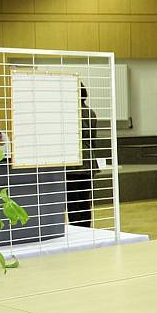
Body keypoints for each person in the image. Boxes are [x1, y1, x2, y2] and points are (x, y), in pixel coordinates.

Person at [65, 83, 97, 227]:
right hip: (89, 160)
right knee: (84, 199)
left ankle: (77, 230)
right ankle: (86, 229)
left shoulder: (69, 112)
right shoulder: (91, 112)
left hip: (73, 160)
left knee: (72, 199)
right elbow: (92, 139)